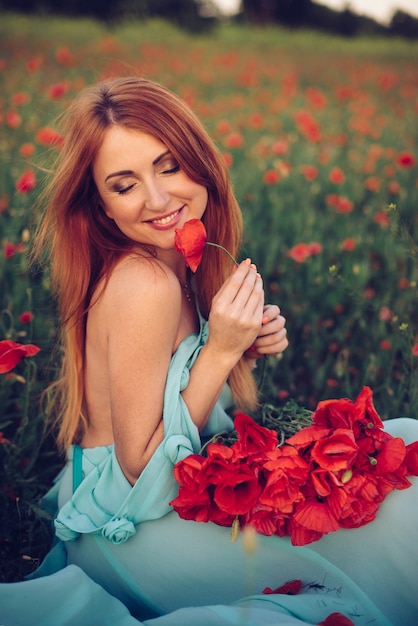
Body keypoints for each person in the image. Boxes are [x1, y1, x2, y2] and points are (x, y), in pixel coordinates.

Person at [0, 77, 417, 626]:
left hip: (155, 502)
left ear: (199, 161)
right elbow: (139, 471)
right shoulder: (143, 284)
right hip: (133, 531)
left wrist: (240, 349)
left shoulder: (179, 265)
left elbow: (168, 386)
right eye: (124, 185)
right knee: (395, 527)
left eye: (169, 166)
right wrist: (218, 351)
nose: (158, 199)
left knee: (404, 440)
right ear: (100, 206)